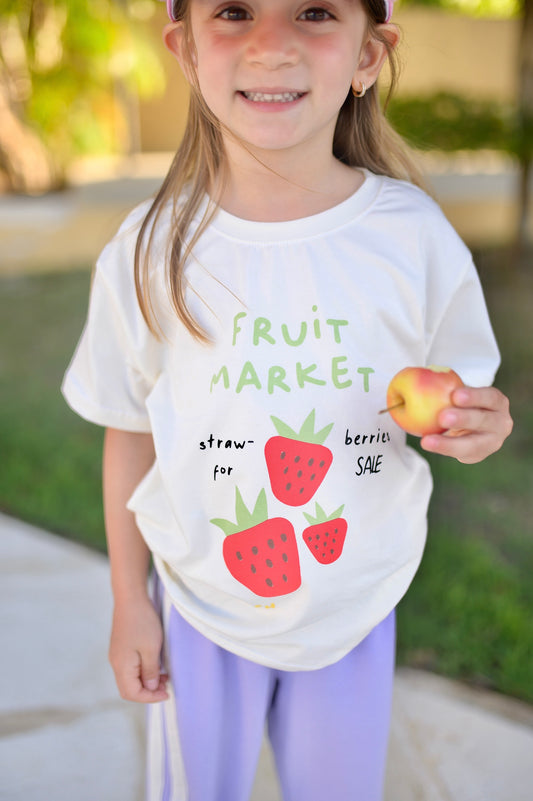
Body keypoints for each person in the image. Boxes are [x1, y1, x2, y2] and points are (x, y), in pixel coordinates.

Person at [62, 1, 513, 799]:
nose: (271, 47)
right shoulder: (148, 245)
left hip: (354, 601)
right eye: (233, 12)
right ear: (187, 49)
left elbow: (463, 402)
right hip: (199, 608)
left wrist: (477, 425)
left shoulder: (411, 236)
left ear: (368, 55)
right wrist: (131, 601)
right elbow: (129, 430)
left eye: (312, 12)